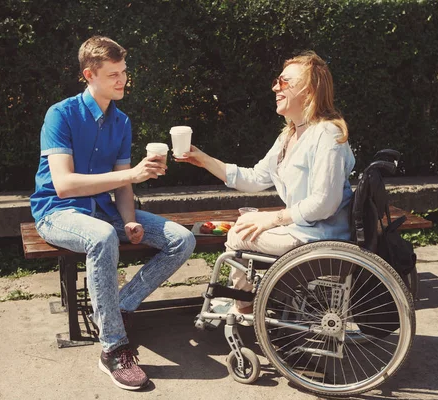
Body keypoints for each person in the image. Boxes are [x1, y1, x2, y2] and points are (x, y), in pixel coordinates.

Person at [30, 36, 196, 391]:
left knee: (182, 239)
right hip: (58, 212)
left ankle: (116, 307)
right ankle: (113, 349)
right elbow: (64, 184)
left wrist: (130, 217)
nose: (122, 81)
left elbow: (123, 186)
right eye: (113, 75)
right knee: (102, 236)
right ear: (89, 75)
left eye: (123, 72)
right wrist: (133, 174)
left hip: (105, 211)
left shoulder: (121, 122)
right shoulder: (60, 115)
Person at [176, 51, 355, 314]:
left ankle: (244, 307)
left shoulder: (326, 134)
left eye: (284, 82)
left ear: (309, 89)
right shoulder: (290, 134)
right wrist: (202, 159)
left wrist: (271, 219)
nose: (275, 87)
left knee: (238, 233)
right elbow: (255, 178)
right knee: (243, 227)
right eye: (277, 81)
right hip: (305, 232)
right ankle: (246, 301)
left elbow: (325, 203)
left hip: (320, 236)